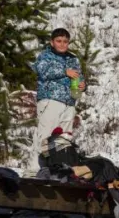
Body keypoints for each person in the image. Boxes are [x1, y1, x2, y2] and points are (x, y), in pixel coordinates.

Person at [32, 28, 85, 172]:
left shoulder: (73, 59)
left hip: (70, 102)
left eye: (65, 42)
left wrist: (82, 84)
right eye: (59, 41)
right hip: (51, 100)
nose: (62, 44)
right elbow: (41, 71)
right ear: (52, 42)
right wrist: (64, 72)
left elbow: (79, 76)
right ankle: (35, 170)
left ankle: (59, 170)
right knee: (45, 137)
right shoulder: (45, 56)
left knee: (64, 139)